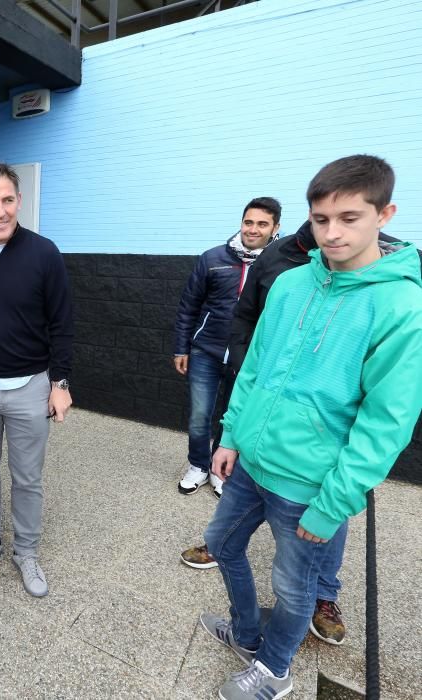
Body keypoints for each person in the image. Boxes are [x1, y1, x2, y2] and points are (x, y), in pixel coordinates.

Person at [201, 155, 422, 700]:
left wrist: (335, 502)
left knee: (293, 586)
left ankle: (274, 673)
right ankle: (249, 636)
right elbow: (255, 366)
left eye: (350, 217)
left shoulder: (400, 304)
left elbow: (387, 421)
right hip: (252, 461)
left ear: (384, 214)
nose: (332, 232)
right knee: (221, 544)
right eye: (321, 219)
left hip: (310, 484)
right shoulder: (292, 282)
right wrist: (231, 435)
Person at [0, 162, 74, 598]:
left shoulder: (44, 253)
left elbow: (62, 323)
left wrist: (60, 384)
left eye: (7, 200)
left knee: (27, 478)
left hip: (31, 387)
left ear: (19, 201)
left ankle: (26, 550)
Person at [172, 198, 280, 497]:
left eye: (262, 224)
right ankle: (198, 465)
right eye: (249, 222)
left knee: (231, 416)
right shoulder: (212, 258)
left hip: (249, 356)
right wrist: (181, 348)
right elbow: (188, 306)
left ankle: (220, 469)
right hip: (206, 350)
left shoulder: (279, 266)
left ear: (275, 228)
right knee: (199, 413)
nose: (253, 229)